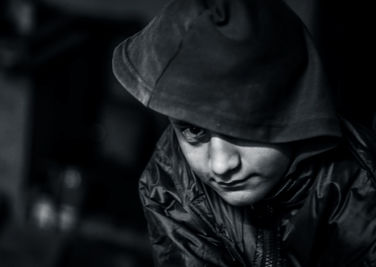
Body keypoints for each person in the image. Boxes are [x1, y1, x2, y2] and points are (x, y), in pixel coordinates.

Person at [112, 0, 376, 265]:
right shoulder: (171, 182)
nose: (221, 164)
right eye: (193, 130)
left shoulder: (362, 185)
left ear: (296, 107)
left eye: (245, 128)